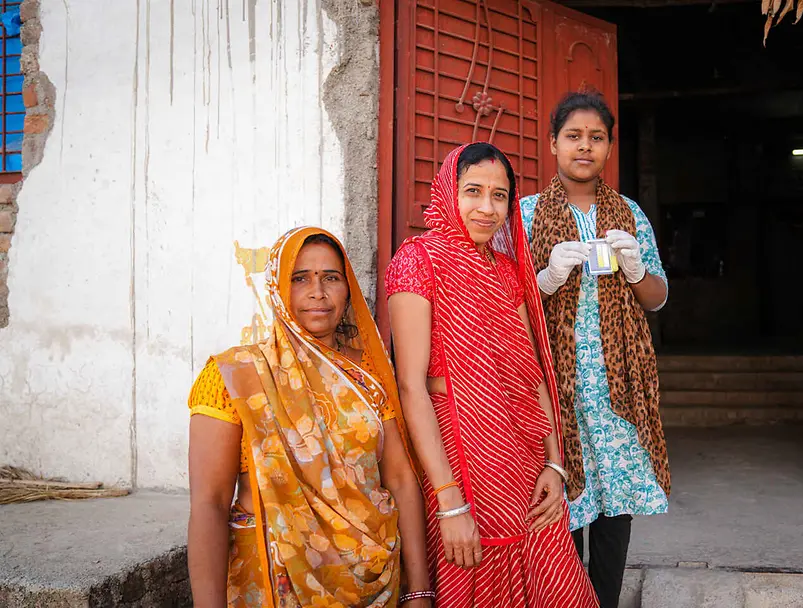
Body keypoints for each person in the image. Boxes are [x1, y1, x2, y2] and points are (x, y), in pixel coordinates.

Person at [385, 143, 598, 607]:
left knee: (554, 574)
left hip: (522, 455)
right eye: (473, 191)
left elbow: (531, 373)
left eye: (499, 195)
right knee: (476, 566)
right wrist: (449, 499)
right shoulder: (417, 261)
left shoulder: (505, 271)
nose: (487, 207)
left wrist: (554, 462)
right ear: (448, 190)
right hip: (460, 455)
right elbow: (411, 386)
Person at [187, 227, 432, 608]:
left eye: (331, 278)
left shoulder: (368, 377)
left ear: (348, 290)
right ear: (277, 287)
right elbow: (210, 503)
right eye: (300, 278)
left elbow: (400, 478)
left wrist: (419, 592)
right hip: (277, 580)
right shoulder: (235, 376)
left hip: (374, 577)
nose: (317, 291)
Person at [520, 91, 671, 608]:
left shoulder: (628, 213)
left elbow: (657, 297)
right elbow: (496, 301)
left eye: (596, 137)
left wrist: (636, 270)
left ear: (609, 147)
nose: (585, 146)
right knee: (558, 508)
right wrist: (545, 278)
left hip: (616, 386)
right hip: (548, 384)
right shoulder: (523, 215)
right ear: (553, 143)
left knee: (613, 509)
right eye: (574, 136)